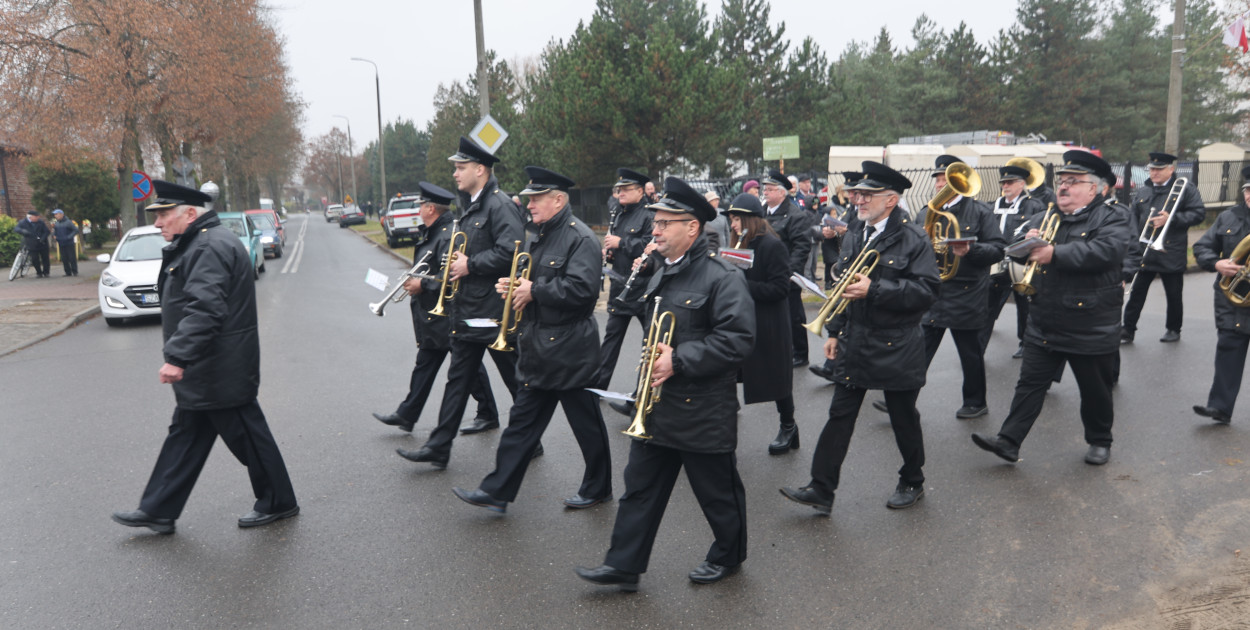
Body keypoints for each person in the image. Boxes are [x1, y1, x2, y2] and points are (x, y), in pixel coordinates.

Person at [576, 176, 755, 591]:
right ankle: (623, 565)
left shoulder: (722, 276)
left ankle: (728, 555)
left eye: (663, 223)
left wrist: (681, 358)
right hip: (657, 406)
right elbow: (640, 318)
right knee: (639, 489)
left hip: (703, 407)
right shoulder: (660, 269)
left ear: (692, 228)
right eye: (655, 223)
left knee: (717, 492)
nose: (654, 230)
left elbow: (739, 339)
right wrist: (638, 274)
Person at [111, 181, 298, 535]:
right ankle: (158, 509)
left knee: (249, 439)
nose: (157, 223)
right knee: (185, 438)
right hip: (208, 368)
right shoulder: (200, 242)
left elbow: (206, 309)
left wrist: (178, 357)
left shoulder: (208, 246)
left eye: (164, 214)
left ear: (189, 213)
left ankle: (278, 501)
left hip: (218, 369)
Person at [780, 161, 939, 514]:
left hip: (897, 343)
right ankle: (821, 488)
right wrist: (834, 331)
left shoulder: (914, 238)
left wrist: (876, 289)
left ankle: (913, 479)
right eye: (857, 194)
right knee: (840, 414)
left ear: (891, 200)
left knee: (902, 418)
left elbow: (928, 292)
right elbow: (844, 289)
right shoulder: (855, 232)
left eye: (868, 195)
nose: (859, 200)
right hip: (856, 340)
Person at [452, 167, 613, 513]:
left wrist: (534, 290)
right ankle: (496, 491)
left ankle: (598, 487)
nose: (529, 205)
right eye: (529, 199)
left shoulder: (581, 238)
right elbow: (531, 281)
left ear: (559, 200)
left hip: (570, 348)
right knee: (521, 424)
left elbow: (584, 292)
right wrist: (514, 289)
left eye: (537, 199)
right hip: (539, 346)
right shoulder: (537, 235)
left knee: (586, 424)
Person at [970, 150, 1129, 466]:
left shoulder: (1112, 216)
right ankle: (1009, 440)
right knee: (1029, 384)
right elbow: (1012, 245)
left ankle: (1100, 440)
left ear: (1094, 189)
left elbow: (1106, 251)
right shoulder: (1047, 215)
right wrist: (1025, 240)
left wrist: (1054, 253)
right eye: (1062, 180)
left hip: (1090, 320)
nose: (1064, 186)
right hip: (1045, 317)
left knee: (1094, 389)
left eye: (1074, 181)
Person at [397, 136, 526, 469]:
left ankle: (529, 438)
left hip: (491, 313)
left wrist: (471, 264)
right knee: (457, 380)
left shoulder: (498, 205)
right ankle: (439, 447)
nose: (455, 173)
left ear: (480, 169)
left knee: (514, 377)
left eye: (461, 167)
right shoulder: (472, 205)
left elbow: (511, 252)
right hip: (468, 310)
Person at [875, 155, 1005, 419]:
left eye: (945, 179)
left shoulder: (981, 211)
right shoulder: (925, 212)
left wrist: (970, 250)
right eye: (937, 179)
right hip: (933, 292)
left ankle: (975, 402)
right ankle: (901, 399)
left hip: (966, 293)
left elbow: (998, 249)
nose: (939, 184)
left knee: (970, 353)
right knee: (918, 351)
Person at [371, 182, 499, 434]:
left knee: (468, 367)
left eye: (421, 205)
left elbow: (450, 274)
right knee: (426, 364)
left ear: (431, 208)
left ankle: (487, 413)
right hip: (432, 316)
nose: (418, 209)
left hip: (447, 314)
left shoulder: (448, 235)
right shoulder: (433, 232)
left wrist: (422, 285)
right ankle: (407, 414)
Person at [724, 193, 797, 454]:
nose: (733, 225)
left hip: (768, 324)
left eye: (736, 220)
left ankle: (788, 426)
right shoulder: (739, 243)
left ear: (750, 220)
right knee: (726, 370)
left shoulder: (772, 246)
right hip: (741, 321)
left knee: (777, 379)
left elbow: (780, 288)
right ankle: (722, 419)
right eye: (732, 220)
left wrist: (742, 285)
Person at [1121, 151, 1206, 344]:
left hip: (1171, 250)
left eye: (1159, 169)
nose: (1154, 173)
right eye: (1152, 169)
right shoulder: (1144, 191)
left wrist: (1172, 219)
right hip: (1145, 250)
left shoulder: (1185, 189)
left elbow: (1198, 214)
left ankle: (1173, 329)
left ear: (1171, 169)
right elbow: (1133, 217)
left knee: (1173, 294)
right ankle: (1127, 329)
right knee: (1136, 293)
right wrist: (1132, 242)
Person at [1191, 166, 1250, 425]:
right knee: (1228, 350)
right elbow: (1202, 247)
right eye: (1248, 190)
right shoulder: (1229, 217)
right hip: (1233, 299)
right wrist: (1216, 263)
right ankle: (1219, 407)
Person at [595, 169, 656, 393]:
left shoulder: (649, 215)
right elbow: (619, 249)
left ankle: (642, 392)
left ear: (640, 191)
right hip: (620, 286)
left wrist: (621, 243)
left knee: (649, 343)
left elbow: (651, 247)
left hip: (642, 288)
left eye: (626, 189)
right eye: (619, 189)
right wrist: (610, 254)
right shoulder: (619, 213)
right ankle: (598, 386)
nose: (620, 192)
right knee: (611, 339)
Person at [981, 165, 1047, 358]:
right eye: (1003, 182)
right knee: (987, 306)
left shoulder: (1034, 206)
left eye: (1010, 182)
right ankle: (978, 347)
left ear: (1021, 184)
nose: (1005, 186)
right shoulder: (991, 205)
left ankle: (1025, 343)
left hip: (1020, 263)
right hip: (996, 263)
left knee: (1024, 305)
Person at [761, 170, 813, 367]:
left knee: (792, 315)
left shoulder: (795, 215)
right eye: (765, 189)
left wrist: (788, 271)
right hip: (765, 274)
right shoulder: (762, 212)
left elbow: (802, 246)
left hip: (786, 275)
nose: (765, 192)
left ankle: (800, 352)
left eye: (770, 189)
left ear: (782, 193)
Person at [14, 210, 51, 278]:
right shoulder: (23, 222)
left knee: (45, 258)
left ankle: (46, 272)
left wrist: (43, 238)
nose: (38, 217)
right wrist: (22, 231)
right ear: (30, 217)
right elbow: (16, 229)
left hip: (42, 243)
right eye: (36, 216)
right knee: (34, 259)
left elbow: (47, 231)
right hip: (31, 244)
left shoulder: (41, 222)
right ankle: (39, 272)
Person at [50, 209, 79, 276]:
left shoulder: (68, 222)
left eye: (56, 214)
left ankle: (74, 271)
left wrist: (69, 237)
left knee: (72, 258)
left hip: (69, 243)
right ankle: (67, 272)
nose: (55, 216)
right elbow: (55, 231)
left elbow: (75, 230)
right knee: (64, 258)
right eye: (55, 215)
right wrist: (54, 235)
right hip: (61, 243)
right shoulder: (57, 223)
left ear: (61, 214)